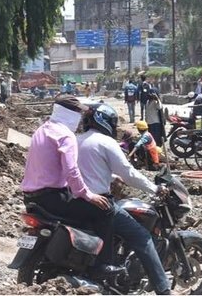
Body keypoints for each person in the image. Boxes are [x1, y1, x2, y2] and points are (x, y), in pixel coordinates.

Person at [20, 95, 121, 279]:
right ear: (71, 113)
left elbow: (60, 168)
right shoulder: (66, 135)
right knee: (106, 210)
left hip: (32, 198)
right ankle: (102, 266)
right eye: (79, 113)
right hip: (54, 198)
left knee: (85, 211)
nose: (81, 118)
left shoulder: (42, 130)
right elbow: (72, 171)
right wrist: (88, 195)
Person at [77, 105, 171, 295]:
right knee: (142, 237)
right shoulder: (106, 142)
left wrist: (111, 177)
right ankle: (164, 289)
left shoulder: (77, 140)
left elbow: (85, 169)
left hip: (76, 201)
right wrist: (154, 187)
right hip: (100, 202)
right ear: (107, 122)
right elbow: (129, 173)